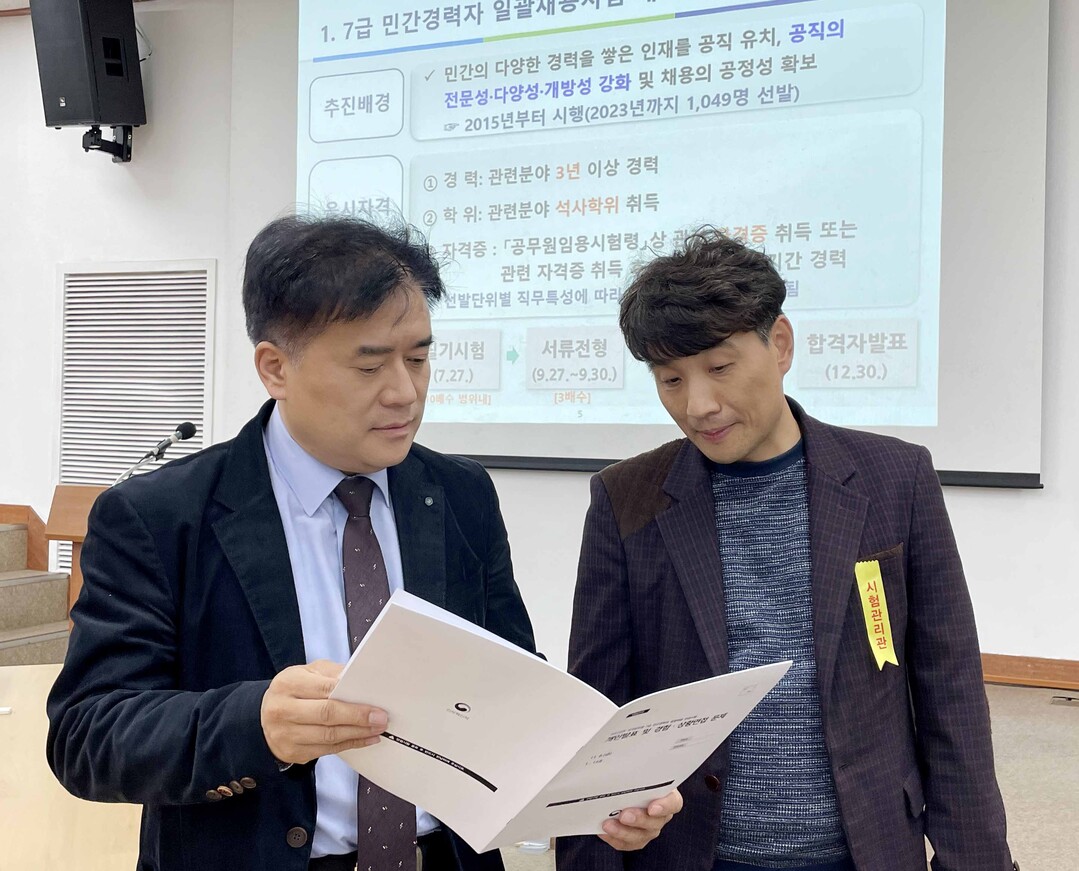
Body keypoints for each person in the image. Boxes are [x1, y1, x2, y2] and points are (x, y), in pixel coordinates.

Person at [46, 214, 680, 871]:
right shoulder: (160, 516)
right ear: (275, 368)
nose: (405, 392)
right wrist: (252, 723)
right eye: (369, 365)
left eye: (419, 358)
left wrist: (597, 791)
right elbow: (86, 736)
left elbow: (510, 689)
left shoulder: (458, 495)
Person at [556, 229, 1016, 871]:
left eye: (719, 368)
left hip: (866, 848)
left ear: (779, 343)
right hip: (694, 852)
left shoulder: (894, 479)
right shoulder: (626, 498)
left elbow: (951, 689)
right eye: (670, 380)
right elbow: (599, 707)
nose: (698, 405)